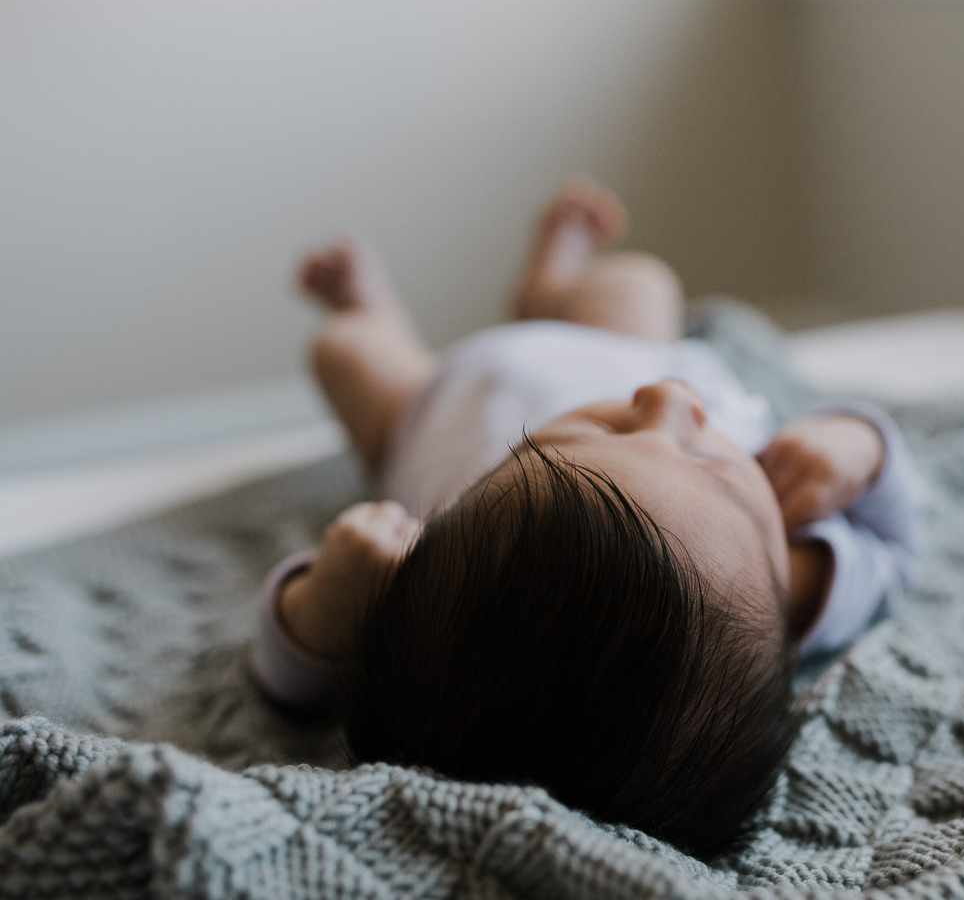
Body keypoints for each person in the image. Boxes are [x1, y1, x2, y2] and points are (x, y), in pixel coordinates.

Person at [250, 178, 921, 854]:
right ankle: (553, 289)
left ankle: (374, 310)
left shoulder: (448, 588)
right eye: (716, 469)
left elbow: (289, 678)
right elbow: (895, 543)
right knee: (639, 283)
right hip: (621, 347)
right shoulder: (789, 586)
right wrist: (859, 445)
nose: (671, 403)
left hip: (433, 406)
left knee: (348, 353)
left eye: (591, 438)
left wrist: (330, 601)